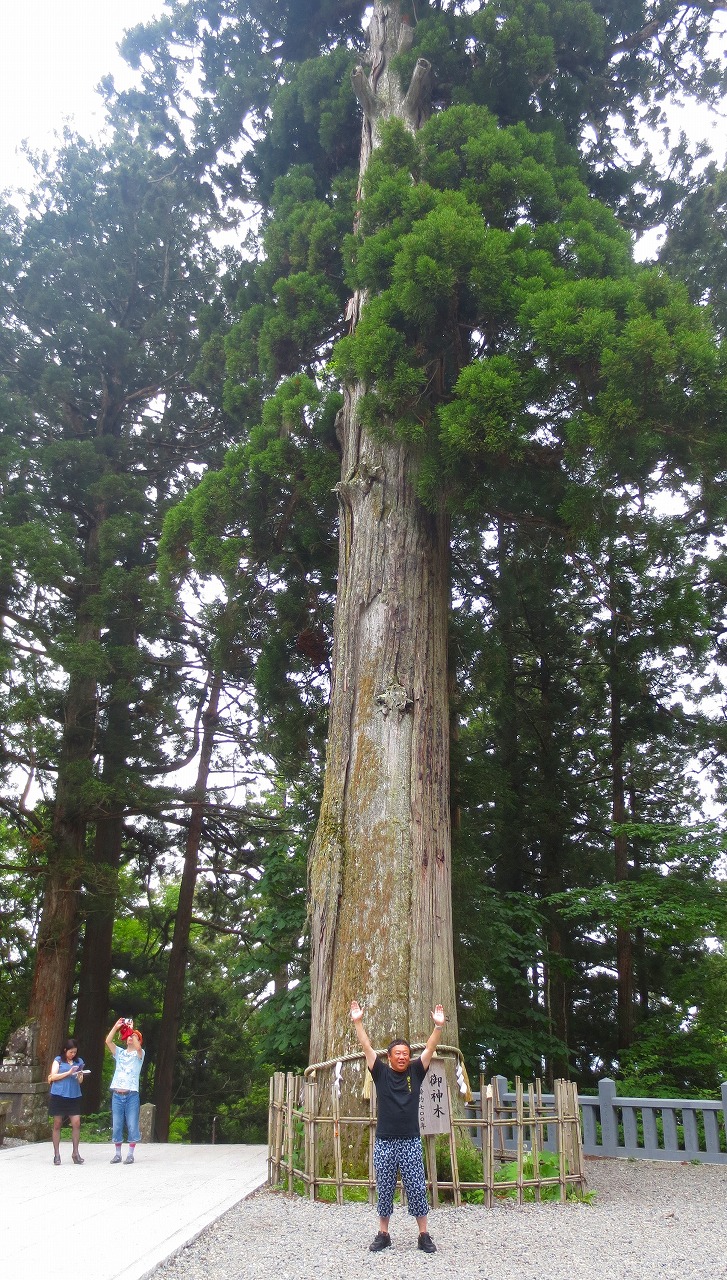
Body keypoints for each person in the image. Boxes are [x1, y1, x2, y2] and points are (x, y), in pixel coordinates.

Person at [350, 999, 445, 1254]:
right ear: (390, 1057)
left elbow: (430, 1049)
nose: (402, 1057)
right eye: (397, 1054)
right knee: (385, 1187)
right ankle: (384, 1233)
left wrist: (438, 1027)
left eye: (405, 1054)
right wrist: (358, 1022)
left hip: (411, 1140)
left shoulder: (416, 1072)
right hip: (385, 1140)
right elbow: (367, 1047)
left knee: (416, 1186)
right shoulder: (380, 1073)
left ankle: (423, 1235)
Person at [105, 1018, 145, 1164]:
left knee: (132, 1123)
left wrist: (132, 1031)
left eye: (134, 1037)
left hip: (131, 1094)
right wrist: (116, 1027)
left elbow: (139, 1048)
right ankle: (117, 1153)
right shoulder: (120, 1053)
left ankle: (130, 1153)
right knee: (117, 1124)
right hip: (117, 1094)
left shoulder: (139, 1055)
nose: (130, 1038)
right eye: (128, 1036)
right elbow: (108, 1041)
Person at [47, 1037, 86, 1165]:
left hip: (73, 1095)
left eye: (75, 1052)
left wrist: (80, 1074)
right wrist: (69, 1072)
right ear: (65, 1050)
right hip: (58, 1095)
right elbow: (53, 1076)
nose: (73, 1054)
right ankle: (56, 1154)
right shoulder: (58, 1060)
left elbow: (80, 1081)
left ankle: (76, 1153)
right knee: (57, 1123)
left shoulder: (78, 1061)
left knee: (76, 1122)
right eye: (71, 1052)